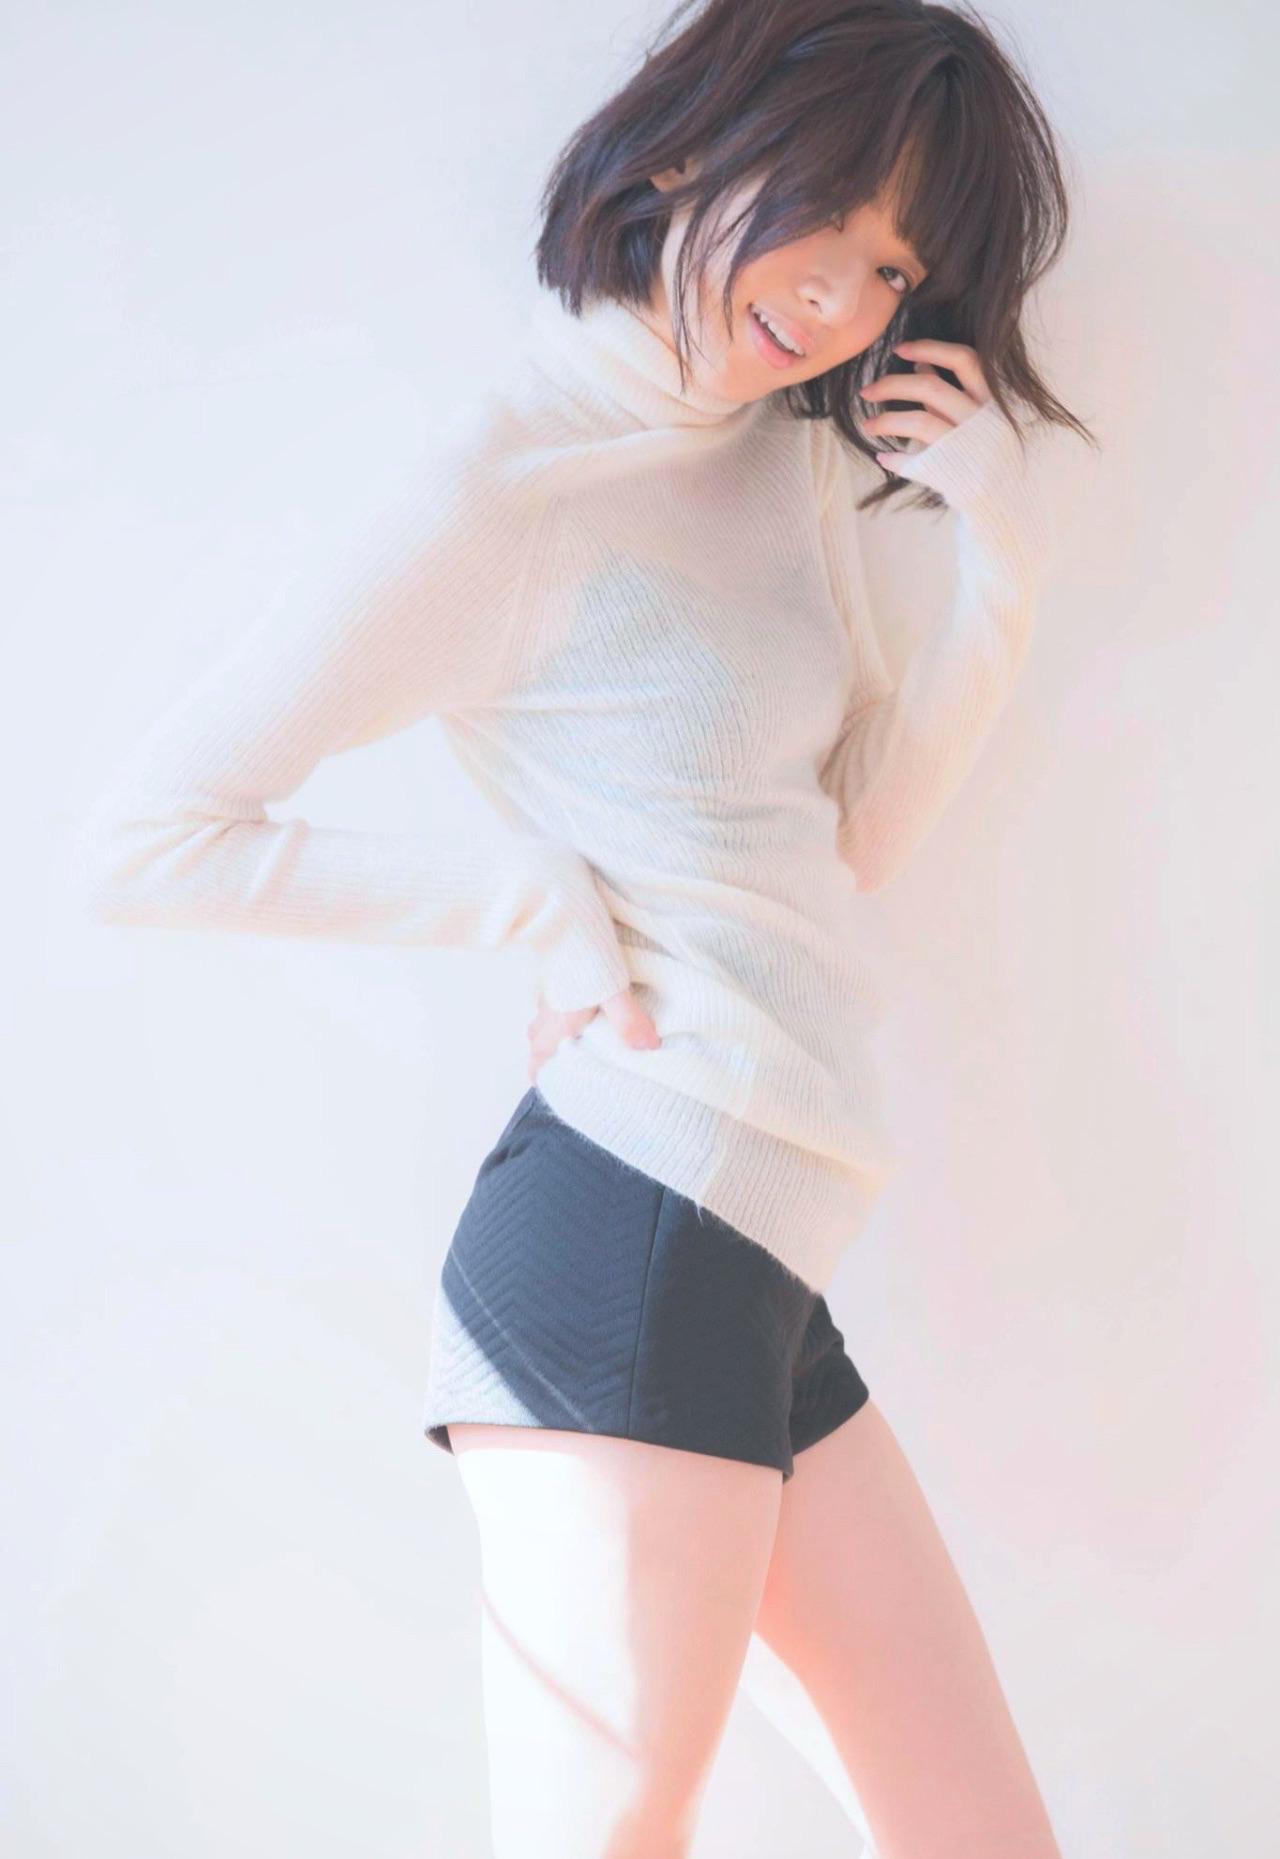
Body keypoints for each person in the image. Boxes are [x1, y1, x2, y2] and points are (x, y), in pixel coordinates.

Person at [72, 1, 1094, 1853]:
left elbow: (848, 836)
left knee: (983, 1836)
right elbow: (150, 840)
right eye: (831, 214)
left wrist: (997, 561)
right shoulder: (499, 489)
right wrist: (521, 900)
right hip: (629, 1227)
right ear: (692, 146)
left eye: (895, 267)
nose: (846, 298)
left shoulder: (783, 464)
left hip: (760, 1257)